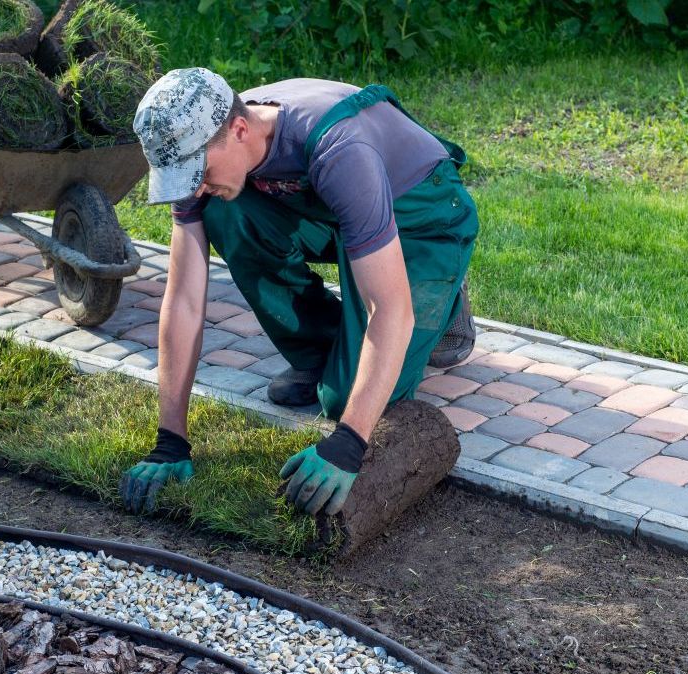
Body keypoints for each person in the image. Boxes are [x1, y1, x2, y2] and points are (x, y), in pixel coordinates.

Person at [118, 68, 478, 517]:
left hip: (423, 217)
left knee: (349, 401)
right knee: (226, 212)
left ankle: (446, 300)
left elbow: (389, 311)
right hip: (343, 212)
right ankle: (328, 353)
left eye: (199, 171)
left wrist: (348, 444)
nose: (193, 187)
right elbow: (184, 299)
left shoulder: (339, 147)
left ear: (240, 129)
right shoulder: (211, 144)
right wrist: (170, 441)